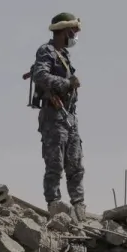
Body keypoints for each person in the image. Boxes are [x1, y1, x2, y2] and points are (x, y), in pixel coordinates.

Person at [26, 12, 85, 219]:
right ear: (62, 32)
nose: (74, 36)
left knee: (75, 163)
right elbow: (40, 75)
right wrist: (67, 83)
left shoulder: (64, 55)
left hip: (69, 116)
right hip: (54, 116)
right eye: (72, 31)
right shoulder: (47, 51)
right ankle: (54, 205)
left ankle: (79, 206)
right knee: (55, 163)